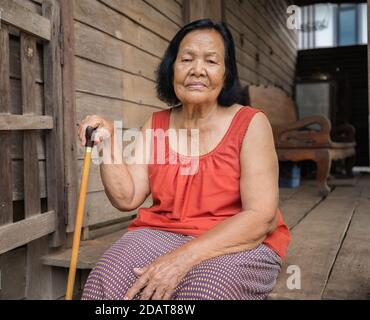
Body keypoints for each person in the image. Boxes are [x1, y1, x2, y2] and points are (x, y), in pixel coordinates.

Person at [77, 19, 291, 300]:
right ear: (172, 69)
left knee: (202, 293)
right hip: (160, 233)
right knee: (104, 284)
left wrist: (180, 260)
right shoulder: (156, 124)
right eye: (186, 59)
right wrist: (109, 142)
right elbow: (127, 198)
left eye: (211, 61)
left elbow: (261, 218)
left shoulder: (251, 124)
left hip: (234, 239)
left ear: (226, 74)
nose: (197, 70)